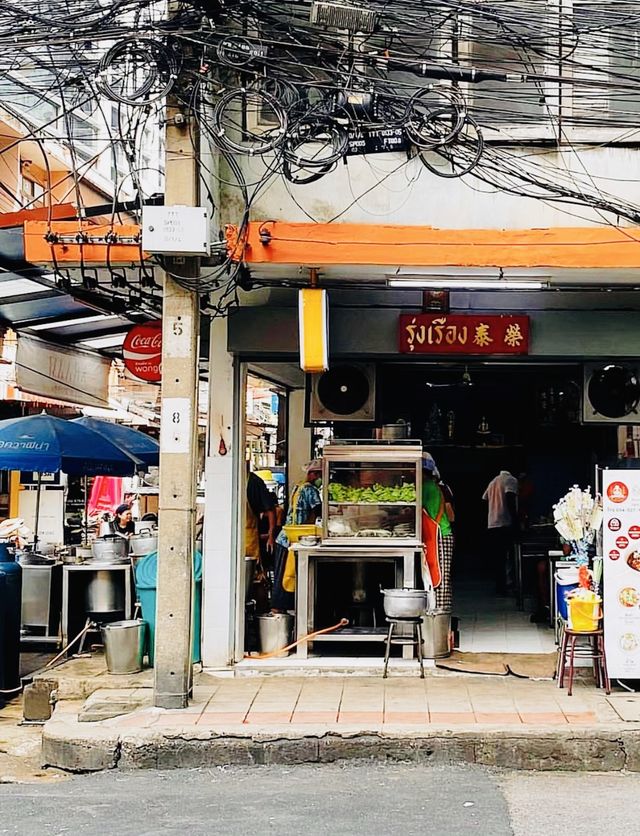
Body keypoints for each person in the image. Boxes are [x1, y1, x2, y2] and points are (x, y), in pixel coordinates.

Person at [272, 459, 322, 612]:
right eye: (320, 474)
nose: (322, 479)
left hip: (284, 536)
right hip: (292, 539)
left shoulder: (297, 486)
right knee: (286, 579)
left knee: (281, 578)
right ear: (313, 474)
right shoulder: (310, 490)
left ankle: (281, 610)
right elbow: (320, 511)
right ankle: (279, 612)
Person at [421, 452, 454, 611]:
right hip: (439, 535)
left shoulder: (425, 487)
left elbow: (411, 511)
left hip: (441, 535)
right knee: (440, 575)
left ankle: (440, 615)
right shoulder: (431, 486)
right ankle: (440, 612)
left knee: (439, 576)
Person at [482, 468, 519, 594]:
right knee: (508, 556)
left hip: (492, 523)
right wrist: (515, 519)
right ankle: (507, 585)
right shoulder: (511, 480)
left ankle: (500, 586)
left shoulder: (493, 482)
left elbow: (484, 498)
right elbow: (510, 497)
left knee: (498, 557)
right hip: (505, 522)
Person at [245, 467, 277, 601]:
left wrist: (270, 535)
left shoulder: (254, 482)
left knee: (256, 576)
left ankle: (260, 610)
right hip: (232, 538)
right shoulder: (227, 480)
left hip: (249, 536)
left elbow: (270, 510)